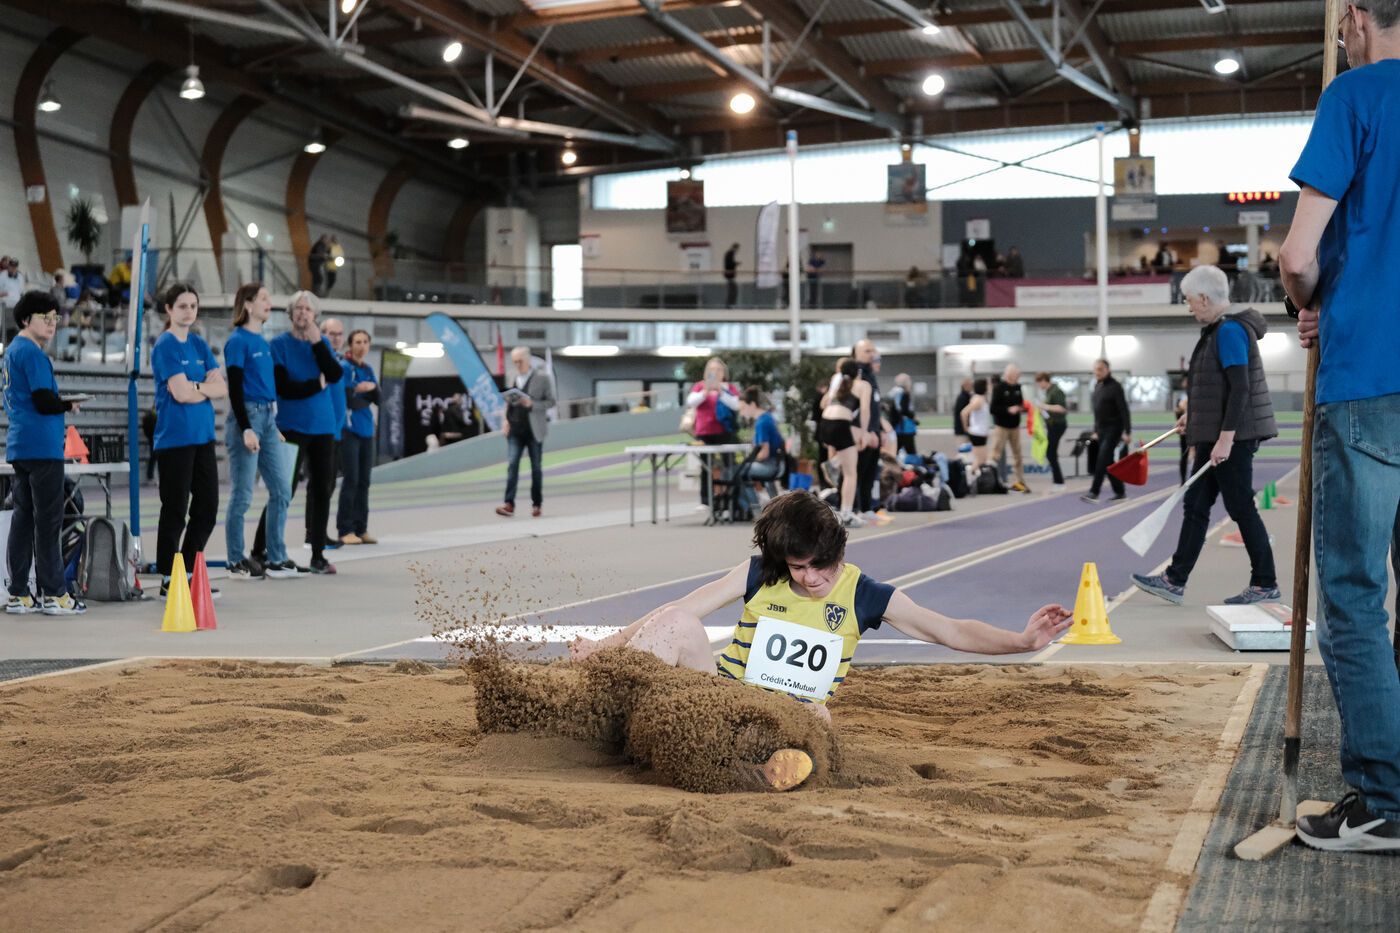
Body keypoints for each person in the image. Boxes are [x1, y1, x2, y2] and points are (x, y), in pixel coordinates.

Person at [567, 491, 1072, 755]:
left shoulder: (866, 595)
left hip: (782, 717)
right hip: (715, 700)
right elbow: (681, 608)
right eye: (798, 567)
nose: (810, 578)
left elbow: (950, 630)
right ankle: (609, 725)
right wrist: (608, 647)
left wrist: (1022, 640)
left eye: (819, 566)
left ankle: (752, 764)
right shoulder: (759, 573)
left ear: (838, 551)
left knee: (819, 717)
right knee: (676, 620)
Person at [1279, 0, 1400, 852]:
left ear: (1355, 18)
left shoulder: (1355, 95)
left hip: (1368, 377)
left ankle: (1385, 799)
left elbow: (1297, 254)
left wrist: (1312, 297)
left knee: (1355, 597)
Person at [1131, 264, 1278, 606]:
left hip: (1231, 439)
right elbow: (1217, 388)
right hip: (1217, 435)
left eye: (1189, 301)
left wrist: (1225, 439)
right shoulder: (1218, 330)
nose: (1189, 308)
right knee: (1196, 504)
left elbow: (1240, 389)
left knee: (1240, 507)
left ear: (1203, 297)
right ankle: (1174, 580)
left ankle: (1265, 582)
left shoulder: (1229, 331)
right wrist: (1193, 417)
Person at [3, 291, 84, 615]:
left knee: (23, 520)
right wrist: (67, 403)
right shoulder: (33, 354)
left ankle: (19, 593)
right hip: (42, 445)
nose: (52, 323)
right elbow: (43, 400)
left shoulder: (12, 351)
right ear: (26, 320)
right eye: (45, 318)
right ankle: (54, 593)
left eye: (55, 318)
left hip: (21, 443)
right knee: (48, 521)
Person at [252, 291, 343, 575]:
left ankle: (318, 554)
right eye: (298, 309)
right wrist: (316, 385)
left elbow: (335, 374)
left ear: (315, 316)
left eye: (308, 309)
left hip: (323, 426)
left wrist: (317, 342)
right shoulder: (279, 344)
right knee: (284, 490)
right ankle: (259, 550)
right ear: (290, 314)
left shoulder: (322, 343)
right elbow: (284, 387)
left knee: (323, 490)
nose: (303, 313)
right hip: (291, 426)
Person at [151, 282, 227, 597]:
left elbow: (221, 388)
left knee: (208, 506)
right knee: (175, 509)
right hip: (175, 440)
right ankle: (169, 576)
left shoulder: (198, 344)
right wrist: (202, 388)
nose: (189, 311)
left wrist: (195, 387)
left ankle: (189, 569)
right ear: (169, 309)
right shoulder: (165, 345)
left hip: (203, 437)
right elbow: (180, 394)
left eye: (193, 306)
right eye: (182, 306)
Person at [222, 282, 297, 582]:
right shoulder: (237, 341)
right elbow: (235, 389)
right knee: (243, 494)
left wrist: (272, 425)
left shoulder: (262, 343)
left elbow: (265, 388)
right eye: (263, 298)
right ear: (248, 304)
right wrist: (246, 428)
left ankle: (276, 557)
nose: (269, 302)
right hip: (249, 417)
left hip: (266, 417)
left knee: (282, 489)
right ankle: (235, 559)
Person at [495, 347, 555, 518]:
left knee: (536, 468)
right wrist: (506, 421)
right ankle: (509, 504)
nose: (517, 365)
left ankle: (536, 504)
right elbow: (509, 402)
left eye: (520, 361)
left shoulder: (542, 378)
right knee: (512, 465)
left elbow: (551, 402)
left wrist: (532, 404)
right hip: (515, 429)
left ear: (528, 360)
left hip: (534, 430)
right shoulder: (513, 377)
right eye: (515, 362)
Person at [337, 329, 380, 545]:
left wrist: (367, 389)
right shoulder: (345, 367)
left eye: (365, 342)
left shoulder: (368, 369)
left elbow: (379, 398)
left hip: (366, 431)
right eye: (357, 342)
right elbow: (348, 400)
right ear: (350, 345)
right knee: (351, 479)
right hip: (349, 429)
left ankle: (361, 528)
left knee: (364, 481)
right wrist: (367, 392)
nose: (361, 346)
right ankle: (345, 529)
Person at [819, 358, 872, 528]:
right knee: (851, 473)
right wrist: (864, 432)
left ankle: (834, 462)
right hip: (840, 424)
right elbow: (865, 410)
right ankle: (846, 514)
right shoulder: (863, 385)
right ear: (858, 373)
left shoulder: (837, 382)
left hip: (825, 423)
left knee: (851, 451)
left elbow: (822, 404)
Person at [1080, 359, 1131, 503]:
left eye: (1100, 369)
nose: (1097, 372)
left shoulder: (1115, 387)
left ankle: (1094, 492)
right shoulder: (1097, 386)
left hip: (1114, 429)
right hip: (1101, 430)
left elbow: (1124, 410)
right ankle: (1120, 492)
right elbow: (1097, 412)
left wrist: (1127, 431)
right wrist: (1096, 430)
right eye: (1095, 369)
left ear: (1107, 370)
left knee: (1101, 459)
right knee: (1108, 463)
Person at [730, 386, 784, 518]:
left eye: (743, 408)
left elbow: (764, 454)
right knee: (744, 468)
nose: (741, 413)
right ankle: (772, 508)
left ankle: (752, 510)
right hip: (778, 463)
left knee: (739, 471)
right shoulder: (767, 417)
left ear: (752, 404)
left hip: (770, 465)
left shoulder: (761, 423)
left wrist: (751, 460)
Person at [320, 318, 348, 546]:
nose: (336, 338)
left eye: (339, 334)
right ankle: (313, 535)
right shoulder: (322, 360)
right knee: (320, 486)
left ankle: (318, 533)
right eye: (332, 334)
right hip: (322, 431)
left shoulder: (338, 361)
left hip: (336, 432)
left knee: (328, 487)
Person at [852, 340, 883, 516]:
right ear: (856, 354)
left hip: (874, 430)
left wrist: (879, 429)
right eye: (867, 351)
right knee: (858, 471)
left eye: (873, 350)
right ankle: (855, 508)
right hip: (861, 431)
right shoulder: (856, 374)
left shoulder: (870, 374)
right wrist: (867, 431)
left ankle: (866, 507)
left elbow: (873, 406)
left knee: (870, 472)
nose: (872, 354)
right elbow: (860, 408)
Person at [988, 363, 1030, 493]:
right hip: (1002, 427)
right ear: (1009, 375)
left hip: (1015, 426)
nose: (1018, 376)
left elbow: (1020, 403)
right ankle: (990, 481)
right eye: (1017, 374)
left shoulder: (1018, 387)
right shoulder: (999, 388)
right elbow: (993, 409)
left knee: (1018, 455)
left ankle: (1020, 482)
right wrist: (1008, 410)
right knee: (996, 454)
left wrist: (1021, 409)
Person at [1033, 372, 1068, 490]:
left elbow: (1061, 408)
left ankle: (1059, 482)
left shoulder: (1056, 391)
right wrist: (1042, 411)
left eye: (1039, 383)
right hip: (1051, 425)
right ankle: (1057, 481)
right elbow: (1050, 410)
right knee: (1051, 453)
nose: (1038, 386)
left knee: (1050, 453)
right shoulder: (1048, 392)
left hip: (1058, 425)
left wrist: (1045, 406)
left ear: (1044, 380)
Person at [962, 377, 990, 470]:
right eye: (987, 385)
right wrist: (966, 427)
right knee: (979, 460)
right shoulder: (978, 400)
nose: (989, 387)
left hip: (980, 433)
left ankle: (975, 475)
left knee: (982, 460)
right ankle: (971, 475)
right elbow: (964, 412)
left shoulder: (980, 398)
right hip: (977, 433)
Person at [889, 373, 918, 457]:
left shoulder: (893, 393)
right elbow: (904, 410)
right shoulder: (904, 393)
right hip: (905, 427)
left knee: (895, 451)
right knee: (911, 453)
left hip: (897, 426)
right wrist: (913, 418)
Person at [951, 377, 973, 441]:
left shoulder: (968, 396)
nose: (972, 387)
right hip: (962, 431)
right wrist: (966, 428)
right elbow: (963, 414)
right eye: (971, 385)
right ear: (965, 386)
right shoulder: (962, 398)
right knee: (963, 446)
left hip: (965, 430)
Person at [723, 242, 740, 309]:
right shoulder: (730, 253)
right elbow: (729, 264)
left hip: (729, 275)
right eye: (737, 249)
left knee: (732, 290)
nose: (737, 251)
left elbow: (729, 263)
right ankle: (730, 304)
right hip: (729, 275)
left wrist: (735, 264)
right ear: (734, 248)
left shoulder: (729, 253)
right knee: (733, 290)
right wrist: (736, 264)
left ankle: (730, 304)